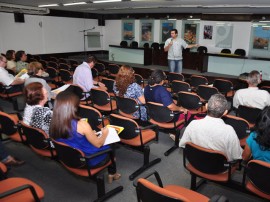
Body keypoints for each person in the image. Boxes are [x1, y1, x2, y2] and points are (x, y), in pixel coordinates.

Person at [49, 91, 121, 183]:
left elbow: (71, 138)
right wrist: (105, 134)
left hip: (69, 157)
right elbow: (98, 144)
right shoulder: (82, 124)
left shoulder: (54, 122)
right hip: (88, 160)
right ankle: (112, 174)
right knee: (111, 144)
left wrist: (90, 134)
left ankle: (112, 174)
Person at [179, 94, 243, 161]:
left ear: (206, 106)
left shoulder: (193, 124)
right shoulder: (229, 131)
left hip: (196, 161)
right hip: (218, 168)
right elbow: (236, 155)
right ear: (225, 112)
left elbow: (183, 144)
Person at [144, 70, 188, 134]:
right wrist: (181, 109)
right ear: (162, 80)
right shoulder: (161, 90)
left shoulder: (147, 87)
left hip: (153, 114)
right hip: (167, 117)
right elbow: (170, 106)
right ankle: (175, 133)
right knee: (187, 113)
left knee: (176, 102)